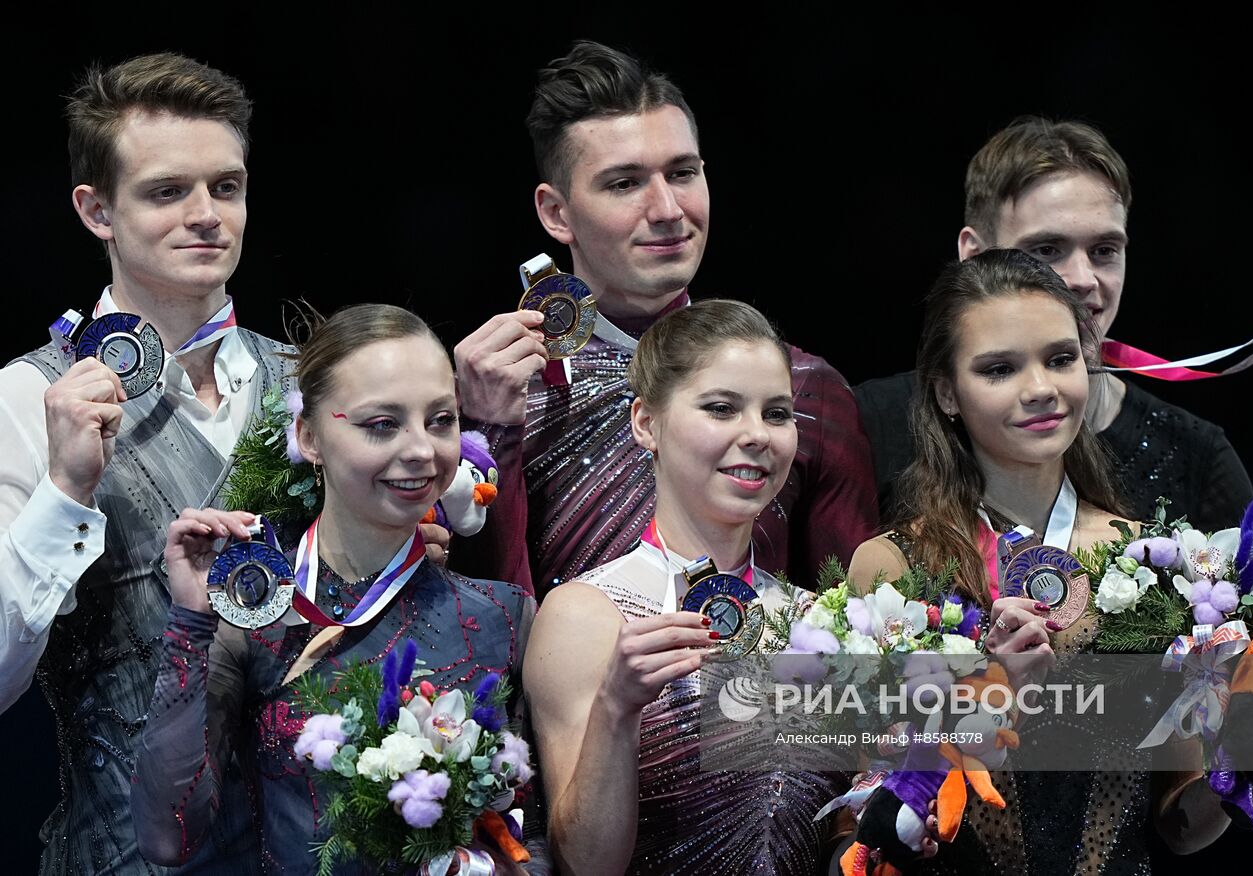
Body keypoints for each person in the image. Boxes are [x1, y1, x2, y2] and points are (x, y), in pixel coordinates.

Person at [849, 249, 1253, 873]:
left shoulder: (1159, 562)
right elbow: (873, 827)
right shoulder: (891, 569)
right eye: (999, 369)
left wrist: (1242, 767)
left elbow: (1177, 824)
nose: (1041, 388)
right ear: (946, 393)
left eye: (1060, 359)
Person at [855, 116, 1253, 645]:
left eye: (1105, 250)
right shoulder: (872, 425)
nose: (1083, 280)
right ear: (973, 255)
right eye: (1045, 251)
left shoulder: (1193, 452)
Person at [454, 40, 878, 595]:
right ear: (556, 213)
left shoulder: (805, 391)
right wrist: (489, 433)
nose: (668, 210)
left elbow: (857, 631)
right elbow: (474, 626)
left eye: (681, 173)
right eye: (625, 183)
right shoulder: (497, 388)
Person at [0, 53, 284, 874]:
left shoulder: (314, 385)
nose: (207, 216)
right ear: (97, 211)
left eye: (226, 188)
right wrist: (65, 490)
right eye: (167, 192)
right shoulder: (28, 399)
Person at [131, 304, 539, 874]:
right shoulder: (256, 618)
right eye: (382, 424)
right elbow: (167, 837)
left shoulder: (503, 614)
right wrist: (192, 622)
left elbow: (525, 833)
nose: (422, 449)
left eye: (440, 419)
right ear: (309, 436)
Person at [524, 300, 863, 875]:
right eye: (722, 408)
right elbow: (584, 864)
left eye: (776, 413)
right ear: (646, 424)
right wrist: (616, 706)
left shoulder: (821, 617)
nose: (756, 435)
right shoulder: (586, 615)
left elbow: (845, 829)